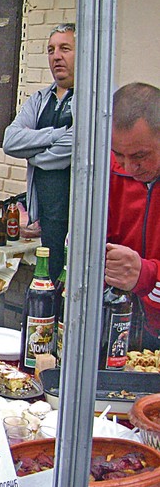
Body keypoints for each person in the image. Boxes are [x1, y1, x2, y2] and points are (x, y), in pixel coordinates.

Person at [3, 23, 75, 282]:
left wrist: (34, 154)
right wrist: (55, 135)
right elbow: (11, 141)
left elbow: (75, 146)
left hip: (78, 216)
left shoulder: (89, 99)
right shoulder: (40, 99)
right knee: (51, 277)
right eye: (51, 50)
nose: (56, 56)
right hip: (46, 214)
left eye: (65, 48)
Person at [106, 82, 160, 350]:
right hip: (124, 323)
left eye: (140, 156)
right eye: (119, 155)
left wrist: (148, 275)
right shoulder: (112, 170)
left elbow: (143, 275)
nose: (129, 167)